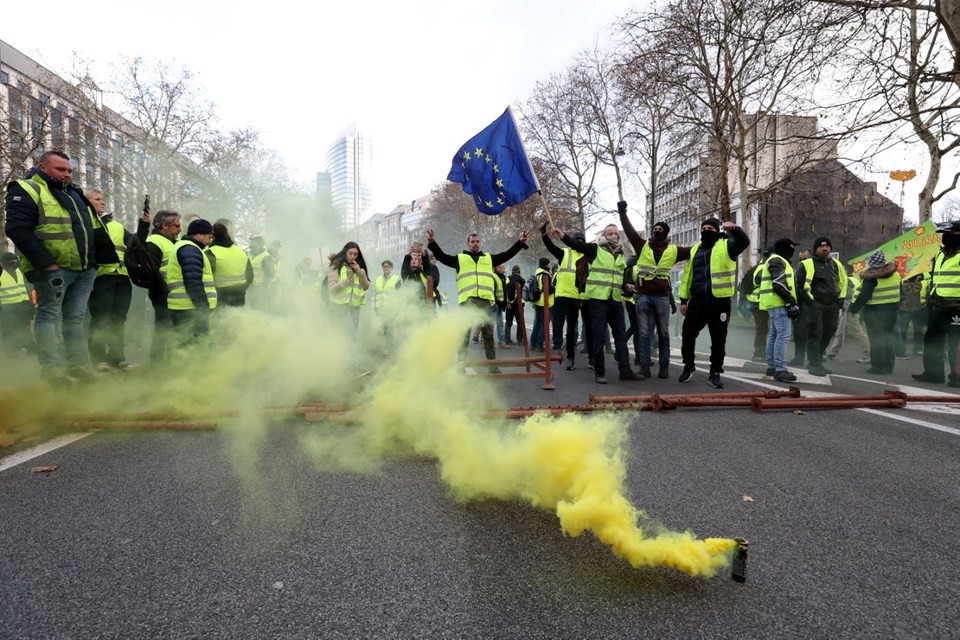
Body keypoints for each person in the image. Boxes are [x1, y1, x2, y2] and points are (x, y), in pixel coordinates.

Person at [4, 150, 116, 384]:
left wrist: (93, 264)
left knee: (75, 318)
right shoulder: (26, 189)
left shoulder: (74, 193)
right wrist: (48, 265)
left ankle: (78, 366)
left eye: (69, 170)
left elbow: (90, 229)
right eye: (61, 169)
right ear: (42, 167)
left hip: (84, 269)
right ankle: (53, 371)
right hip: (53, 270)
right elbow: (17, 230)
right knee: (48, 316)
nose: (67, 174)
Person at [553, 214, 641, 384]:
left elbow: (620, 277)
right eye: (610, 232)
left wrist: (626, 286)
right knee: (599, 337)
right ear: (604, 234)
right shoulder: (595, 249)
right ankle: (600, 372)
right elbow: (576, 244)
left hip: (615, 300)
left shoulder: (621, 254)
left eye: (615, 233)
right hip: (598, 299)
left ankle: (626, 371)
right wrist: (563, 236)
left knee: (621, 337)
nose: (613, 235)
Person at [427, 229, 528, 368]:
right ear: (467, 244)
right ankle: (461, 365)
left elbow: (506, 255)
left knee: (488, 334)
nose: (475, 244)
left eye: (477, 241)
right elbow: (442, 257)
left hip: (485, 301)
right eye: (472, 242)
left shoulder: (488, 258)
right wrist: (432, 243)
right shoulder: (460, 259)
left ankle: (492, 366)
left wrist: (520, 242)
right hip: (468, 301)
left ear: (481, 243)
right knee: (465, 334)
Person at [619, 207, 692, 380]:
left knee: (663, 333)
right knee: (644, 333)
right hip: (642, 296)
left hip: (661, 297)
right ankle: (644, 367)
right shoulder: (642, 245)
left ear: (665, 233)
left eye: (660, 229)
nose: (656, 231)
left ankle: (663, 367)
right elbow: (629, 230)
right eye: (655, 229)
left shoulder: (674, 250)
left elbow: (695, 250)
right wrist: (622, 213)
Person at [677, 217, 751, 388]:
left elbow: (744, 241)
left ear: (717, 231)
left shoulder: (727, 246)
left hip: (720, 302)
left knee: (718, 339)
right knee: (687, 334)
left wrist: (734, 229)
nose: (706, 230)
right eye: (704, 227)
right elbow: (688, 276)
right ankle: (689, 366)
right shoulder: (695, 249)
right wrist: (683, 300)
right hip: (697, 301)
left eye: (710, 228)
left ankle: (715, 372)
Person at [85, 189, 148, 371]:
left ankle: (117, 358)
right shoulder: (84, 224)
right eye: (97, 199)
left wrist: (143, 225)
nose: (102, 202)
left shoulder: (116, 226)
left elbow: (136, 241)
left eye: (102, 199)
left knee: (118, 319)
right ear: (86, 203)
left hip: (121, 278)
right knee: (100, 319)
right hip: (99, 279)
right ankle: (98, 359)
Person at [912, 220, 960, 387]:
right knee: (932, 340)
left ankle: (956, 377)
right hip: (938, 305)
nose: (944, 238)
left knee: (956, 345)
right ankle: (933, 373)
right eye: (943, 235)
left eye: (949, 234)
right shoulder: (940, 254)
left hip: (956, 307)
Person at [795, 237, 847, 376]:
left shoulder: (836, 264)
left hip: (832, 304)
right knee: (815, 333)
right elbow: (798, 285)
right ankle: (814, 363)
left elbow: (843, 282)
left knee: (828, 333)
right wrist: (809, 302)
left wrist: (840, 299)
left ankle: (817, 360)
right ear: (816, 248)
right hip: (815, 304)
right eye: (821, 247)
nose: (825, 249)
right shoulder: (806, 264)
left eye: (827, 247)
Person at [542, 225, 591, 370]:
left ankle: (593, 358)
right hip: (570, 296)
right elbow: (551, 247)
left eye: (582, 241)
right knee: (570, 329)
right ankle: (570, 358)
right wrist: (544, 234)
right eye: (577, 241)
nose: (579, 243)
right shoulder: (564, 254)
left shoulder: (590, 255)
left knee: (590, 329)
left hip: (587, 296)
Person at [849, 250, 901, 375]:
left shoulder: (871, 276)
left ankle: (878, 367)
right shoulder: (896, 274)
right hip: (892, 310)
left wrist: (854, 308)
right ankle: (889, 367)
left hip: (874, 312)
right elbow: (901, 291)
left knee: (877, 339)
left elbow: (865, 294)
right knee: (888, 337)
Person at [166, 218, 217, 339]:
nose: (210, 241)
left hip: (185, 308)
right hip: (190, 309)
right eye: (209, 237)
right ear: (199, 234)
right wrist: (202, 308)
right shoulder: (190, 249)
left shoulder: (187, 247)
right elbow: (193, 281)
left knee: (187, 346)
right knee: (196, 346)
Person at [758, 238, 800, 382]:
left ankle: (772, 366)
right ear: (785, 248)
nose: (794, 249)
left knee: (774, 335)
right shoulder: (778, 260)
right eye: (792, 246)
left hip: (773, 302)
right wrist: (790, 302)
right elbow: (778, 283)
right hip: (779, 302)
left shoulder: (774, 259)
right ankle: (780, 369)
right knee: (783, 335)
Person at [145, 210, 181, 362]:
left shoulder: (173, 242)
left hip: (175, 295)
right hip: (163, 294)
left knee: (173, 330)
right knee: (163, 329)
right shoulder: (154, 242)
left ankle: (172, 362)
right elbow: (151, 271)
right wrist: (165, 290)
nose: (179, 229)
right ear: (164, 226)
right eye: (176, 226)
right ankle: (157, 364)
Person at [326, 241, 371, 348]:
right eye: (350, 253)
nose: (353, 256)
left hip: (355, 308)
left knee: (350, 335)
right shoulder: (335, 267)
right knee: (350, 336)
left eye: (355, 254)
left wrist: (359, 271)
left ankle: (343, 358)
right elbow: (331, 289)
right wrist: (345, 283)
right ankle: (353, 363)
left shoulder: (359, 269)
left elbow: (365, 287)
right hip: (340, 307)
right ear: (345, 252)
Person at [824, 269, 871, 364]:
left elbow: (848, 296)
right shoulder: (855, 280)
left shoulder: (847, 281)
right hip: (853, 308)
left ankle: (869, 354)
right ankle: (832, 352)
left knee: (858, 332)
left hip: (850, 309)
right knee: (840, 332)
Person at [205, 222, 254, 307]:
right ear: (227, 234)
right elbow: (250, 276)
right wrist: (242, 289)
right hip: (240, 296)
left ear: (213, 237)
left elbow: (206, 279)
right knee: (238, 319)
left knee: (221, 320)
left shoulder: (210, 253)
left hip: (219, 297)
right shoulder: (241, 251)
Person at [0, 252, 35, 356]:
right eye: (11, 261)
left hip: (24, 305)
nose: (14, 263)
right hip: (7, 307)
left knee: (24, 328)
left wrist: (31, 304)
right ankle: (11, 351)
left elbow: (28, 287)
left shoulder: (20, 271)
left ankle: (30, 348)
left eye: (15, 260)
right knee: (9, 330)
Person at [741, 247, 772, 362]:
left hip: (756, 302)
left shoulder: (757, 267)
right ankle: (759, 353)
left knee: (762, 328)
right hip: (760, 303)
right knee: (762, 328)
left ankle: (761, 352)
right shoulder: (765, 268)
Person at [896, 273, 928, 358]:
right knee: (902, 331)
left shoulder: (921, 283)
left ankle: (917, 349)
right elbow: (901, 294)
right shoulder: (903, 282)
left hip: (917, 309)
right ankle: (901, 350)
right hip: (904, 309)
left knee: (918, 331)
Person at [790, 248, 812, 366]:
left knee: (814, 334)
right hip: (802, 306)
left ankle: (814, 360)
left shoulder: (816, 268)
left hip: (815, 306)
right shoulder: (799, 269)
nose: (802, 261)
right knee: (799, 334)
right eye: (801, 259)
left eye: (805, 258)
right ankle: (799, 358)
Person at [529, 256, 552, 352]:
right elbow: (548, 289)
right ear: (546, 264)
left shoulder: (537, 273)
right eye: (548, 264)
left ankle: (533, 343)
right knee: (544, 324)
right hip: (544, 302)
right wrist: (555, 287)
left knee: (537, 323)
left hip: (537, 301)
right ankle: (539, 344)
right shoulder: (546, 274)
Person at [247, 236, 275, 309]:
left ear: (258, 244)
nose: (250, 243)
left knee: (258, 309)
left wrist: (264, 287)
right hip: (248, 287)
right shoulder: (248, 254)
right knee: (248, 309)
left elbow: (270, 274)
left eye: (252, 241)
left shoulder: (266, 257)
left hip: (259, 289)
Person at [504, 265, 525, 346]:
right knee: (520, 323)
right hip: (519, 304)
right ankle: (520, 340)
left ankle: (507, 339)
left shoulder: (507, 279)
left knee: (508, 323)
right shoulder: (522, 280)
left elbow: (505, 292)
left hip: (509, 304)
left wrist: (507, 303)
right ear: (519, 271)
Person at [493, 263, 509, 348]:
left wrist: (505, 303)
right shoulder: (494, 276)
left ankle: (501, 342)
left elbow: (504, 291)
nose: (504, 268)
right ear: (497, 267)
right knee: (491, 324)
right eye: (502, 267)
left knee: (500, 324)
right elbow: (492, 291)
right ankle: (489, 343)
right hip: (494, 304)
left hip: (499, 304)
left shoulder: (503, 277)